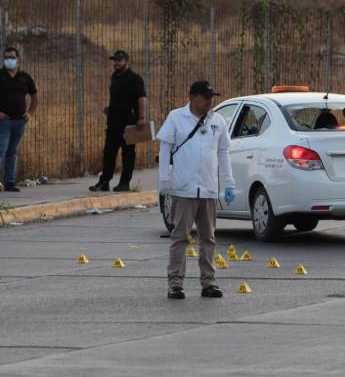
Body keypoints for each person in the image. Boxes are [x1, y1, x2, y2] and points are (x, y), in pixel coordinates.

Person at [156, 81, 235, 300]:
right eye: (205, 97)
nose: (210, 101)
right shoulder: (176, 118)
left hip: (208, 189)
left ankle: (208, 282)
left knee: (208, 238)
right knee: (180, 237)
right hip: (184, 189)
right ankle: (175, 284)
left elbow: (223, 153)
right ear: (192, 97)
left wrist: (228, 183)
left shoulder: (217, 121)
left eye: (212, 97)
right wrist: (164, 179)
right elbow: (165, 149)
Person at [89, 50, 147, 193]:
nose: (116, 63)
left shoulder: (135, 79)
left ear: (126, 61)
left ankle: (124, 183)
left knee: (128, 154)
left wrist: (142, 117)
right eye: (114, 61)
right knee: (108, 152)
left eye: (119, 61)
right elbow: (118, 98)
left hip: (129, 122)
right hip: (114, 122)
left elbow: (141, 98)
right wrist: (111, 108)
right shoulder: (115, 77)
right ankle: (104, 181)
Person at [0, 47, 38, 193]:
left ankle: (9, 181)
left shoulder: (24, 77)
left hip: (19, 121)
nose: (9, 60)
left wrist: (30, 113)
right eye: (7, 57)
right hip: (3, 121)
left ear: (18, 60)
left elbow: (34, 96)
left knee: (12, 151)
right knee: (0, 150)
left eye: (12, 57)